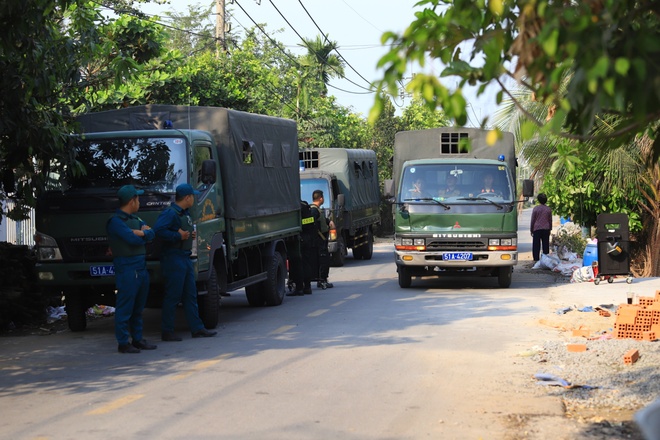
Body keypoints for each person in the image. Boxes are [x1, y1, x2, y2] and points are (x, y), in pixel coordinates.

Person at [154, 183, 217, 341]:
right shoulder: (171, 213)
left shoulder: (184, 214)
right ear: (187, 197)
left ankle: (197, 328)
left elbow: (182, 230)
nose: (194, 199)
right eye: (193, 196)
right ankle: (167, 331)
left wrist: (189, 235)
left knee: (190, 295)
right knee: (173, 296)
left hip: (185, 257)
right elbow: (159, 230)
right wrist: (178, 236)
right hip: (174, 258)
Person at [106, 185, 157, 354]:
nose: (139, 202)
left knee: (138, 307)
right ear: (131, 200)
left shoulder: (137, 219)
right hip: (127, 268)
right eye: (138, 199)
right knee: (125, 306)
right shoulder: (115, 222)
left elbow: (152, 234)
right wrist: (141, 235)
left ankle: (137, 339)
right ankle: (123, 342)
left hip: (140, 267)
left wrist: (140, 233)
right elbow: (131, 239)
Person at [287, 200, 315, 296]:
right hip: (307, 237)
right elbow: (311, 221)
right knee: (306, 262)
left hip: (300, 238)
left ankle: (299, 288)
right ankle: (307, 287)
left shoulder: (295, 205)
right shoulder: (305, 205)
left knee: (297, 263)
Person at [310, 189, 334, 289]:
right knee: (323, 260)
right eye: (323, 197)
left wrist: (329, 222)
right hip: (319, 241)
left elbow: (321, 220)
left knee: (324, 260)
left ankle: (322, 279)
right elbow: (312, 223)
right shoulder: (314, 210)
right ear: (320, 198)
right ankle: (322, 280)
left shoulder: (317, 209)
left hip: (321, 240)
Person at [530, 193, 553, 262]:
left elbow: (533, 220)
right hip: (546, 229)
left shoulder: (536, 209)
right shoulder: (548, 209)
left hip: (537, 229)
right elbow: (550, 220)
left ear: (538, 200)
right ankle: (545, 259)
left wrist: (531, 230)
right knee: (545, 244)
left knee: (536, 245)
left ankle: (536, 259)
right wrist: (550, 228)